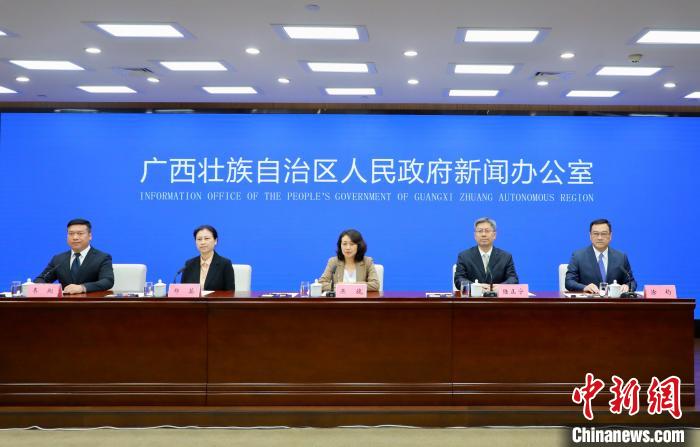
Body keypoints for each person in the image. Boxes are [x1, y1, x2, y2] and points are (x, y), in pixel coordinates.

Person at [34, 218, 114, 294]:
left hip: (91, 302)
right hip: (65, 302)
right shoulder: (58, 259)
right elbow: (41, 279)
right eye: (71, 234)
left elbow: (107, 281)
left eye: (80, 233)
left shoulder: (102, 257)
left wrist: (82, 287)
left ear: (90, 236)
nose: (75, 237)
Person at [565, 218, 636, 293]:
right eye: (596, 234)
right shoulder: (578, 256)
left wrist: (627, 286)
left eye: (604, 234)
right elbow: (569, 282)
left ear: (610, 235)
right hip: (589, 299)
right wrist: (584, 287)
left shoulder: (621, 257)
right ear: (590, 236)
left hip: (613, 299)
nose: (600, 238)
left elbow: (632, 282)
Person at [453, 217, 519, 291]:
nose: (483, 234)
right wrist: (475, 287)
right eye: (480, 231)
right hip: (474, 297)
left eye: (487, 231)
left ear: (494, 235)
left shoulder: (505, 257)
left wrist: (501, 287)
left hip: (497, 297)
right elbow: (459, 279)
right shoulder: (464, 256)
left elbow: (513, 279)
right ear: (475, 235)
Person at [181, 225, 235, 291]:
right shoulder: (189, 264)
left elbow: (230, 292)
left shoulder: (225, 264)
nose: (203, 242)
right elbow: (183, 291)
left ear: (215, 241)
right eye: (199, 239)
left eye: (206, 238)